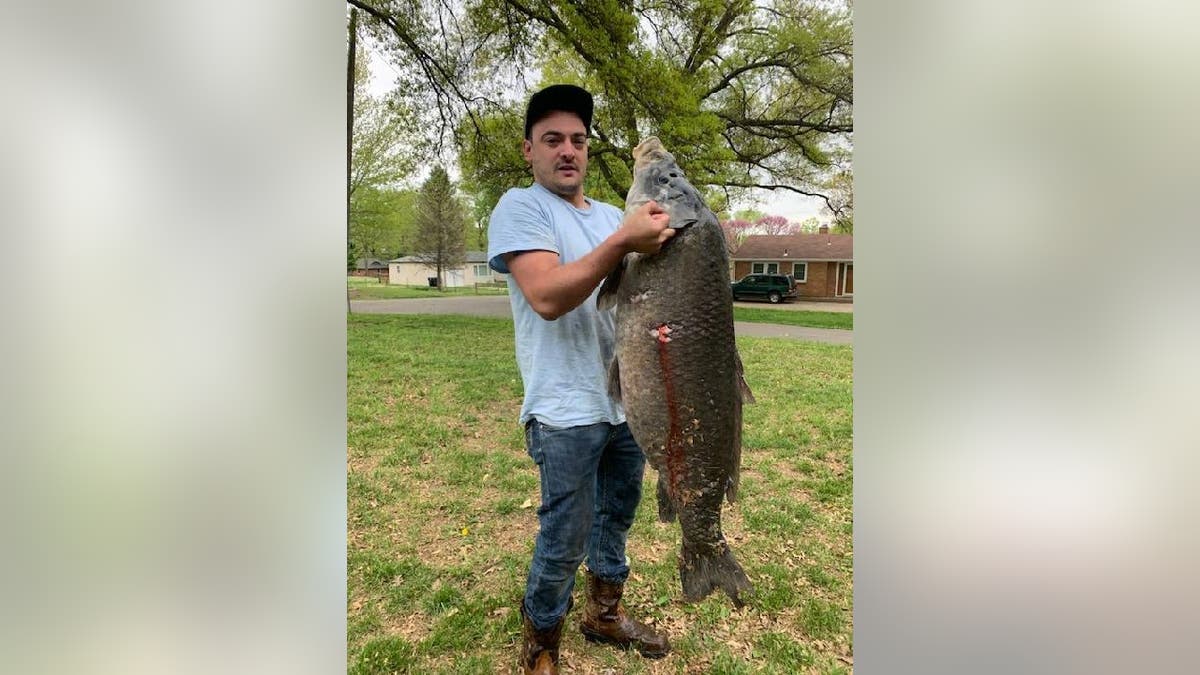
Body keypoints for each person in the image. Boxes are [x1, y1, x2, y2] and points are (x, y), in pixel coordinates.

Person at [487, 84, 675, 675]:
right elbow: (546, 296)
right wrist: (623, 239)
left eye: (577, 140)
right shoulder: (521, 208)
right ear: (529, 151)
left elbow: (628, 303)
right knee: (565, 536)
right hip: (564, 410)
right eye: (553, 140)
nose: (567, 150)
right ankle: (541, 644)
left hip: (624, 403)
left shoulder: (611, 218)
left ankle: (603, 613)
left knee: (616, 517)